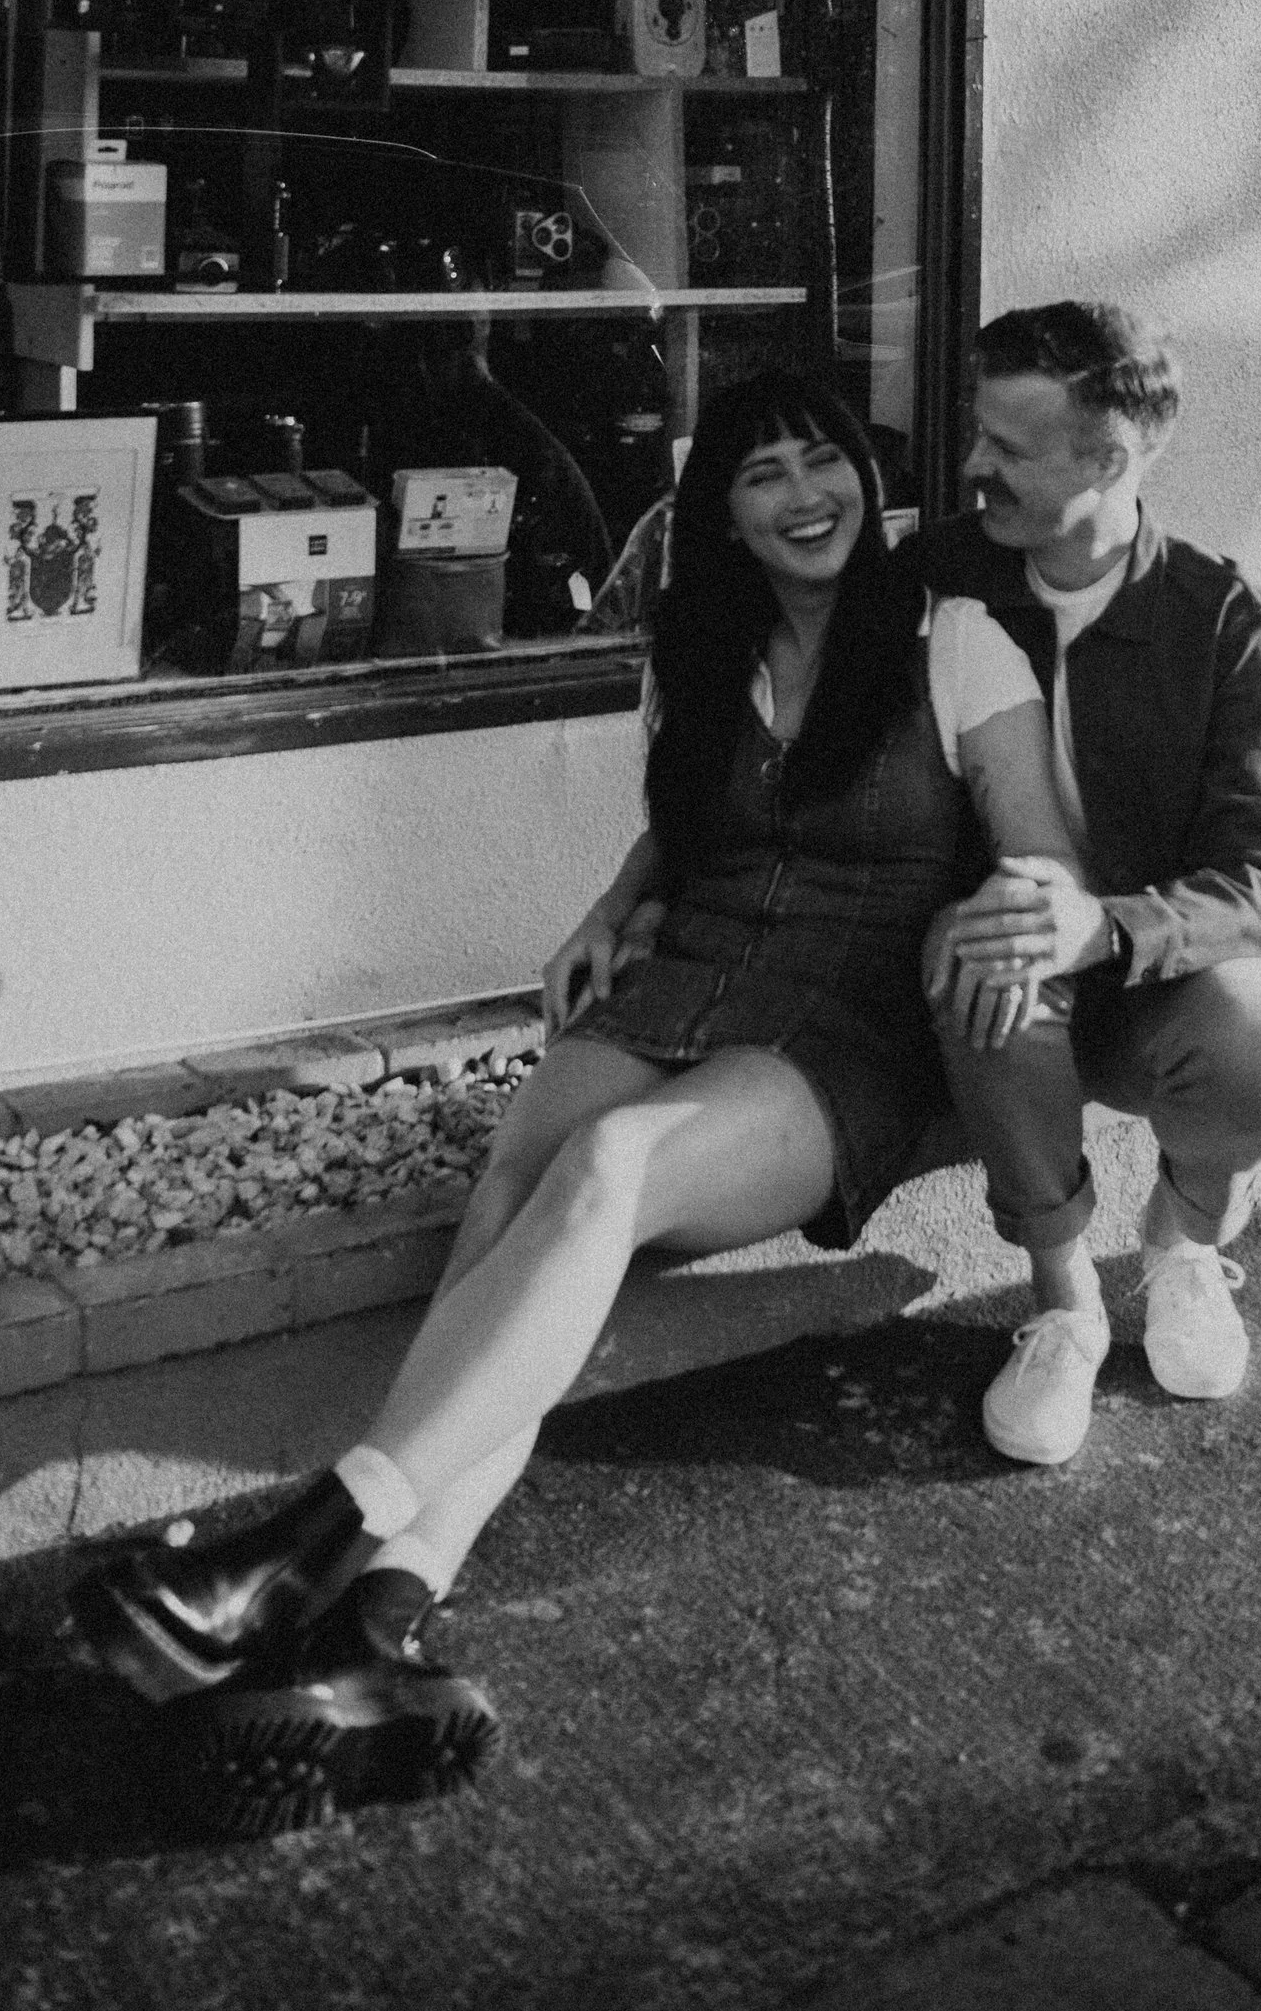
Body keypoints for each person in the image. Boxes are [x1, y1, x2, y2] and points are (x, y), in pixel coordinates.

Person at [67, 366, 1083, 1825]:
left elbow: (1038, 849)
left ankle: (291, 1548)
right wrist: (608, 906)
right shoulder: (695, 647)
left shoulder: (954, 639)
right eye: (766, 475)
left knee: (606, 1169)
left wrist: (1025, 926)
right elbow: (679, 831)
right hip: (697, 975)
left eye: (829, 462)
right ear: (721, 515)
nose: (810, 497)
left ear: (869, 477)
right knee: (518, 1175)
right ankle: (373, 1631)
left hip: (847, 1026)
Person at [919, 300, 1261, 1469]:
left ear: (1108, 456)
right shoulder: (933, 578)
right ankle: (1064, 1307)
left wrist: (1109, 926)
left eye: (1007, 444)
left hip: (1150, 977)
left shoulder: (1221, 620)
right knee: (988, 961)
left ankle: (1184, 1246)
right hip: (995, 980)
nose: (971, 464)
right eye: (977, 432)